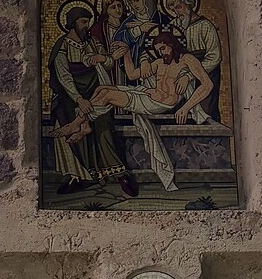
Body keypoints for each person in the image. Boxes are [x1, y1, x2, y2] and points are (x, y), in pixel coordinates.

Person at [64, 29, 210, 193]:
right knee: (101, 89)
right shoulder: (160, 63)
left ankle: (78, 124)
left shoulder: (187, 59)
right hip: (146, 95)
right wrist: (126, 53)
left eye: (163, 49)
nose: (161, 54)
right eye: (158, 51)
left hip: (157, 104)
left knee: (107, 95)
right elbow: (133, 75)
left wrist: (186, 107)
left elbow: (207, 84)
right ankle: (83, 126)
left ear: (172, 45)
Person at [46, 0, 137, 198]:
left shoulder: (93, 42)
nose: (86, 25)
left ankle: (119, 174)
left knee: (104, 131)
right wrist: (79, 99)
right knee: (72, 129)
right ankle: (77, 176)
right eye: (83, 22)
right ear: (72, 23)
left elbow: (109, 62)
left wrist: (102, 58)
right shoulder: (62, 46)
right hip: (71, 96)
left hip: (96, 91)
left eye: (88, 21)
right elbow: (64, 76)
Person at [161, 0, 222, 123]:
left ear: (188, 5)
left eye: (179, 7)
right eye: (174, 10)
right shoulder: (175, 25)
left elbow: (214, 56)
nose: (177, 13)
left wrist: (190, 75)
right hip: (181, 72)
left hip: (206, 73)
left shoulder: (205, 26)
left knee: (206, 113)